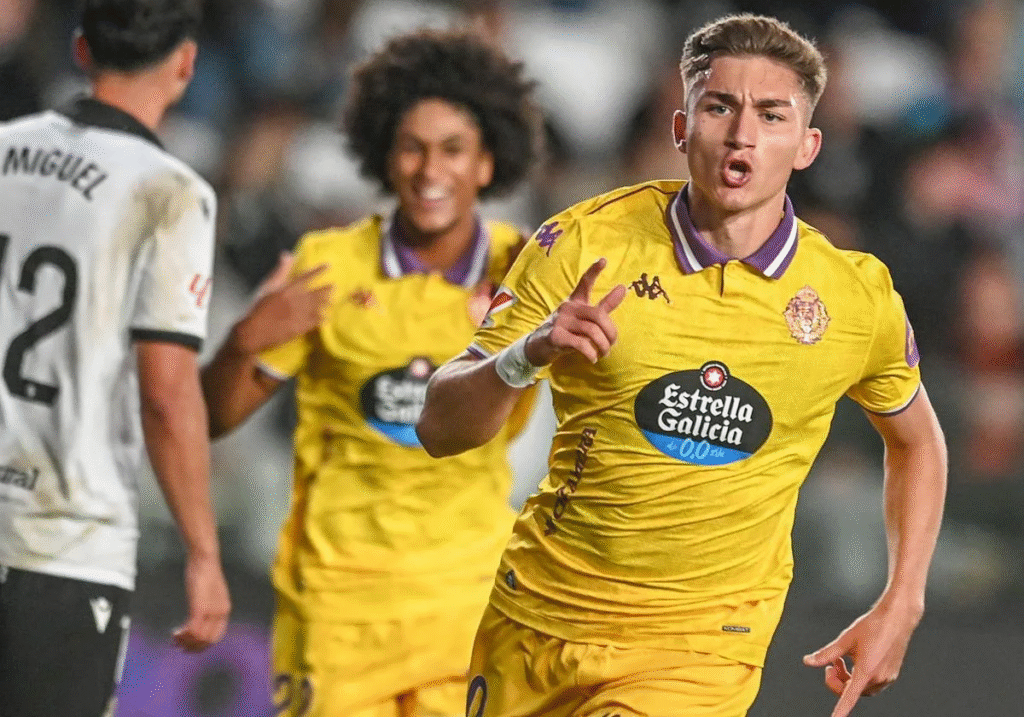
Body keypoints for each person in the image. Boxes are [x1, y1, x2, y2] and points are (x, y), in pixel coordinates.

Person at [416, 13, 947, 717]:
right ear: (681, 127)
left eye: (771, 114)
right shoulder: (582, 244)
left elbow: (918, 440)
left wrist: (902, 600)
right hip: (538, 619)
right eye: (719, 106)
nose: (742, 134)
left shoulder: (852, 297)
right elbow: (439, 426)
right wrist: (526, 354)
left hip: (700, 647)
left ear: (808, 144)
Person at [201, 29, 542, 717]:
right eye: (411, 146)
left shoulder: (526, 271)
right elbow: (215, 416)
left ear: (487, 162)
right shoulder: (328, 264)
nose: (428, 169)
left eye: (452, 149)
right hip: (339, 604)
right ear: (384, 152)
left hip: (465, 598)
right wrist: (244, 340)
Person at [0, 1, 230, 714]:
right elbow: (165, 390)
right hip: (65, 542)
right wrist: (203, 552)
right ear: (186, 63)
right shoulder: (170, 195)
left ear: (81, 49)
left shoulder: (2, 147)